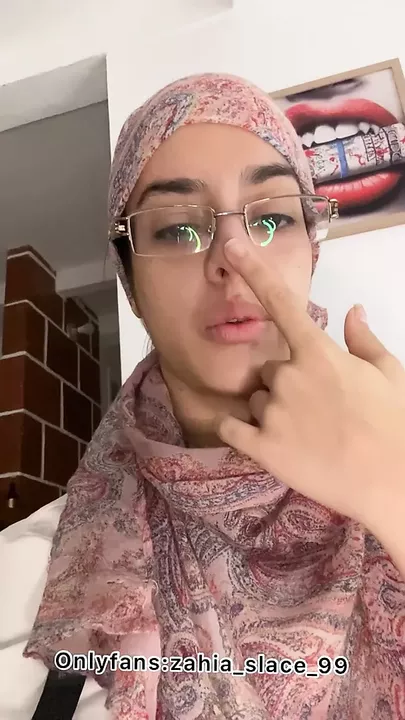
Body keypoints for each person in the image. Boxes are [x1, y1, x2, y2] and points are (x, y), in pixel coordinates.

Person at [0, 73, 404, 720]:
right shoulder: (28, 583)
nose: (233, 257)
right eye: (175, 229)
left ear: (311, 251)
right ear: (130, 283)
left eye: (271, 218)